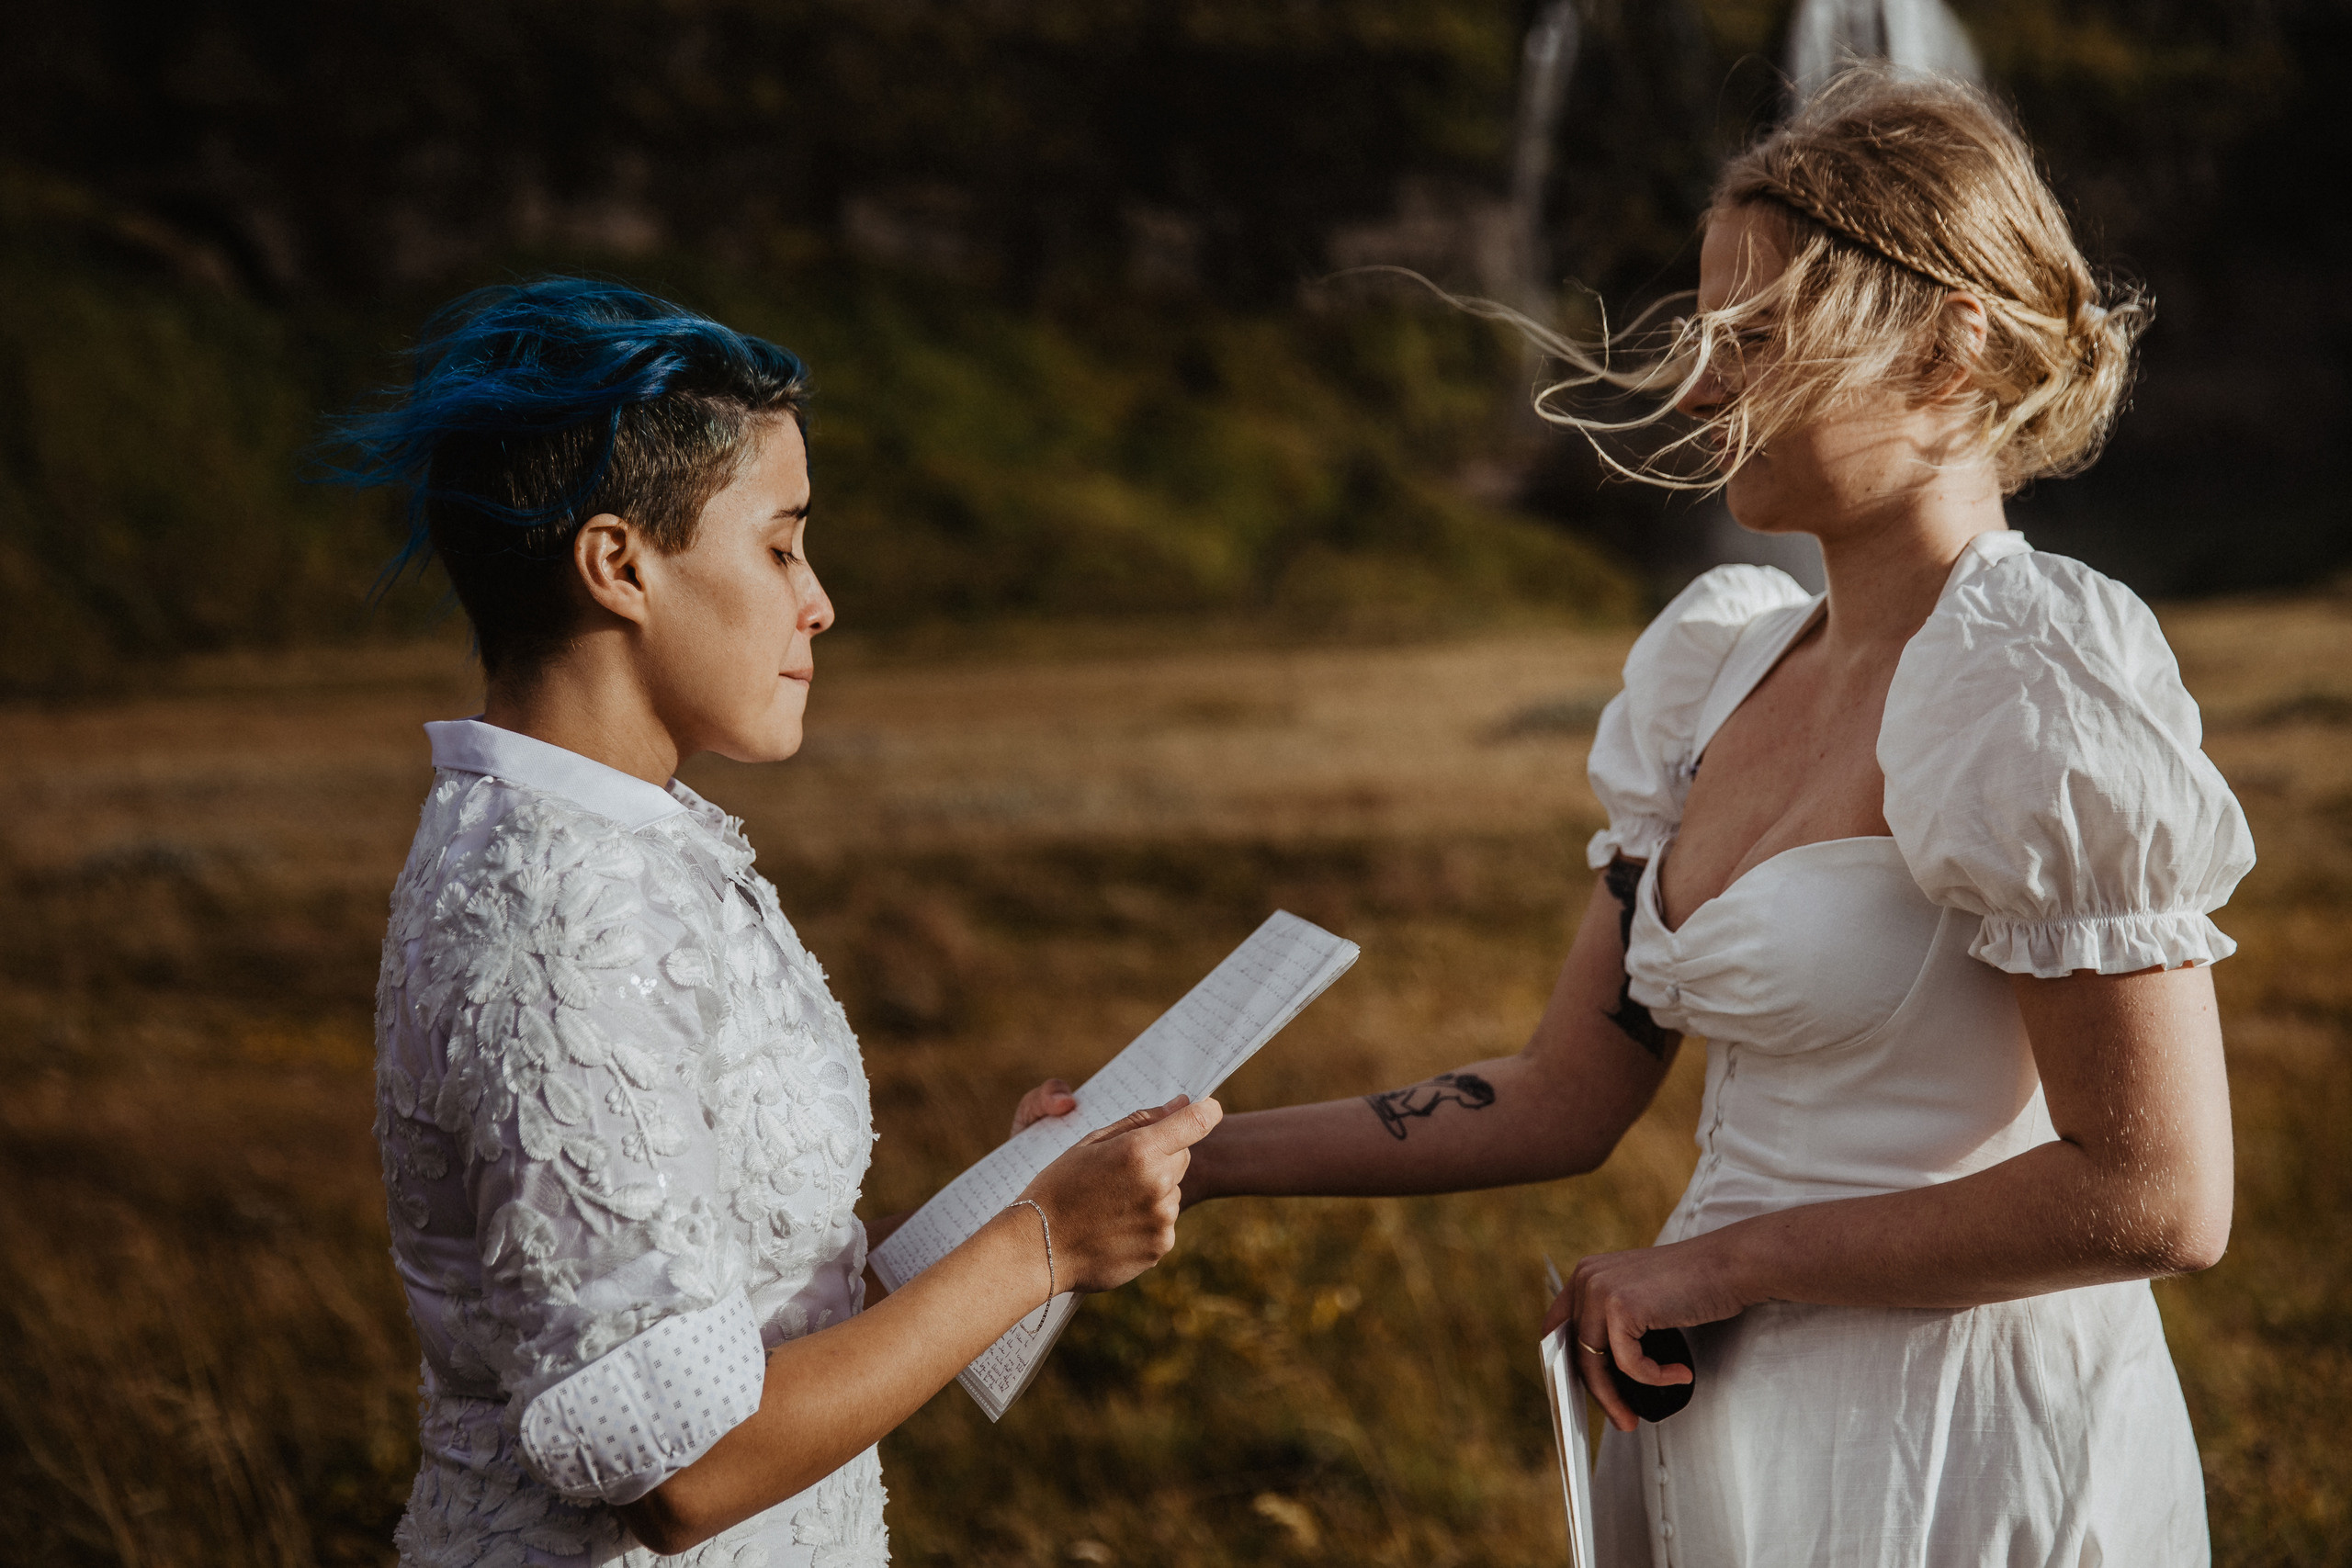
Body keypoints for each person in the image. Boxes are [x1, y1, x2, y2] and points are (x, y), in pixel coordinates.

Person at [1019, 70, 2256, 1564]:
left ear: (1950, 345)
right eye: (1704, 334)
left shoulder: (2033, 686)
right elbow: (1562, 1095)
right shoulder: (1717, 669)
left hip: (1959, 1439)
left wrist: (1728, 1264)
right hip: (1720, 1408)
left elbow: (2158, 1195)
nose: (1702, 384)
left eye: (1760, 335)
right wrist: (1189, 1152)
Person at [345, 278, 1218, 1567]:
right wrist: (1041, 1247)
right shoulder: (561, 915)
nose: (817, 603)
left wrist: (999, 1212)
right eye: (780, 545)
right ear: (618, 564)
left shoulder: (618, 843)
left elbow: (735, 1303)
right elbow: (682, 1473)